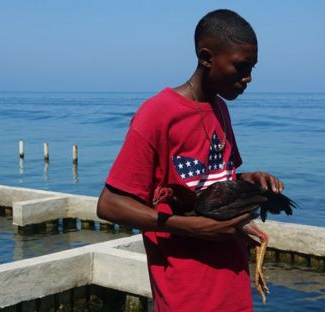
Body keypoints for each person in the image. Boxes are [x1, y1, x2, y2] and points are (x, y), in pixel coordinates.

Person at [97, 9, 284, 311]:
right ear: (206, 57)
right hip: (186, 293)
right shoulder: (157, 114)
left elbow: (213, 182)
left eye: (252, 68)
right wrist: (194, 227)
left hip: (232, 284)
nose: (248, 78)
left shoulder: (221, 109)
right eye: (240, 67)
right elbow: (109, 204)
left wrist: (246, 180)